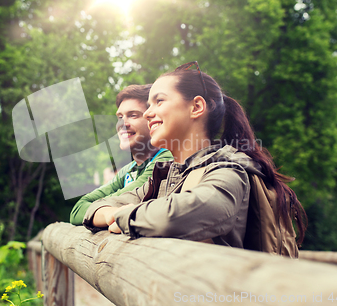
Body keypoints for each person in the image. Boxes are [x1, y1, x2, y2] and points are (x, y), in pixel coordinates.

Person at [82, 62, 307, 248]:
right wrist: (120, 214)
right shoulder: (165, 177)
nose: (148, 113)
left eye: (159, 101)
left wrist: (122, 216)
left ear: (196, 107)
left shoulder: (228, 170)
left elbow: (191, 212)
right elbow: (92, 208)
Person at [69, 84, 173, 225]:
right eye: (119, 117)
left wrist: (98, 211)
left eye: (133, 115)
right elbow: (77, 211)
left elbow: (121, 200)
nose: (122, 124)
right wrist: (109, 213)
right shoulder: (128, 170)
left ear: (151, 118)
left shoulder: (166, 159)